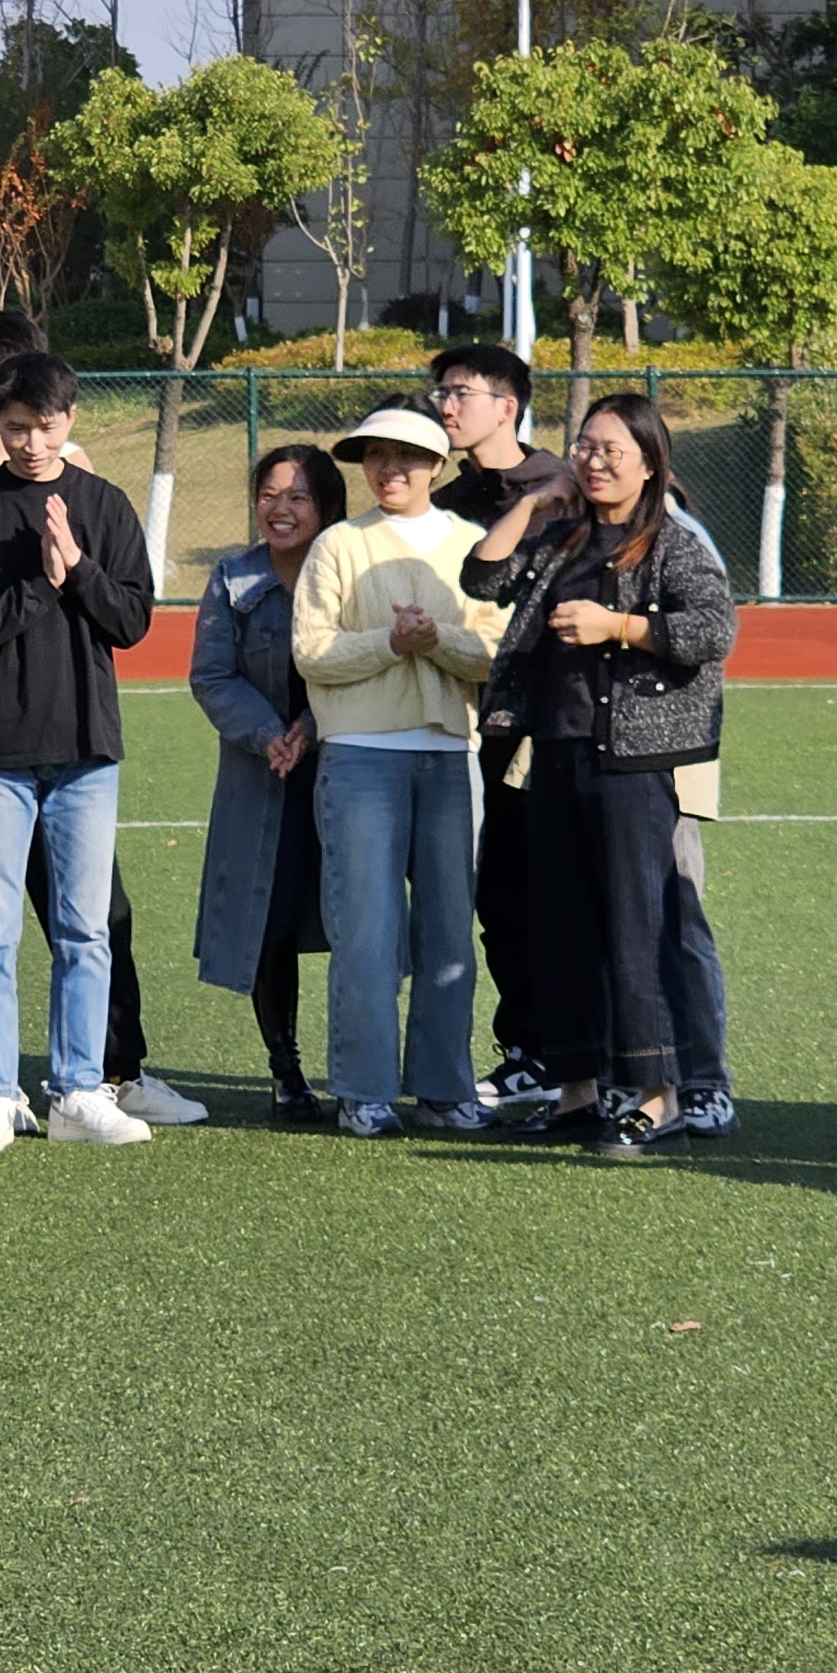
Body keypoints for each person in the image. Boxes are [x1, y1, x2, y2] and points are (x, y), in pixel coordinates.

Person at [0, 310, 204, 1127]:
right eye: (15, 427)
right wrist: (42, 583)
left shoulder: (103, 505)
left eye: (44, 425)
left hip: (85, 747)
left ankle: (83, 1088)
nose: (31, 441)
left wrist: (79, 571)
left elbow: (132, 621)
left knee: (87, 930)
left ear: (70, 418)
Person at [463, 392, 735, 1159]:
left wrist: (618, 626)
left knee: (636, 929)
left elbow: (713, 630)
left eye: (613, 449)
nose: (594, 460)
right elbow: (482, 579)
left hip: (635, 761)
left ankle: (658, 1098)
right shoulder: (561, 535)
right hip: (554, 751)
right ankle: (578, 1090)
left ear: (650, 463)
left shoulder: (672, 540)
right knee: (560, 926)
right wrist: (532, 503)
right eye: (585, 445)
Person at [293, 406, 505, 1136]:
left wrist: (435, 639)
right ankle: (364, 1089)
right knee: (365, 930)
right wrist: (391, 641)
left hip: (451, 756)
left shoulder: (473, 545)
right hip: (359, 754)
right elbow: (312, 651)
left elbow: (494, 652)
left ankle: (444, 1089)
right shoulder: (338, 545)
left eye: (407, 456)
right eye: (377, 456)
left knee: (449, 933)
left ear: (438, 466)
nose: (390, 469)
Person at [430, 341, 575, 1111]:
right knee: (497, 897)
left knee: (550, 893)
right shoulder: (448, 500)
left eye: (461, 392)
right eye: (441, 393)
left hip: (547, 727)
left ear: (507, 406)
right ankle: (527, 1051)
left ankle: (570, 1055)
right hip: (465, 725)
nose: (446, 406)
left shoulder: (560, 489)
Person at [189, 444, 348, 1125]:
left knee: (358, 918)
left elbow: (357, 662)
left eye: (298, 497)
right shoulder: (233, 578)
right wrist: (271, 735)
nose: (279, 510)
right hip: (263, 776)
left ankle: (361, 1068)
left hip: (344, 766)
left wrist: (309, 726)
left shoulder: (348, 570)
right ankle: (286, 1068)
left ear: (328, 508)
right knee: (269, 920)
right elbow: (212, 675)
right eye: (268, 495)